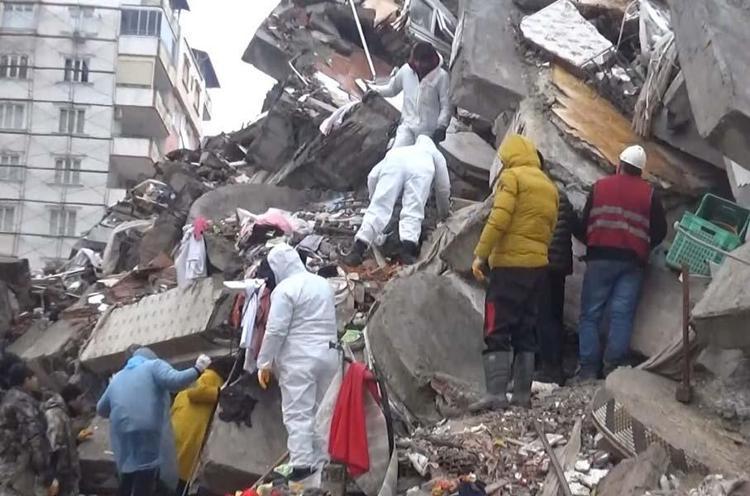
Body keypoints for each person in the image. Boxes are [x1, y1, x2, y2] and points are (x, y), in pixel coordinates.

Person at [470, 134, 559, 410]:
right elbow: (551, 228)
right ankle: (521, 396)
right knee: (525, 329)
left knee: (497, 326)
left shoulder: (512, 178)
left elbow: (498, 219)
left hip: (509, 266)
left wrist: (480, 255)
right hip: (537, 268)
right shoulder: (548, 186)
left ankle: (496, 395)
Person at [574, 145, 667, 380]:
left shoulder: (599, 187)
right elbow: (660, 230)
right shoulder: (649, 194)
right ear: (640, 170)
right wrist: (644, 247)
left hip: (600, 258)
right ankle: (613, 368)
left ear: (620, 165)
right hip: (632, 262)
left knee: (590, 315)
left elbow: (585, 223)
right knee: (621, 314)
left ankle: (587, 369)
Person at [256, 244, 339, 481]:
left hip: (299, 358)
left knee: (298, 412)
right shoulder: (322, 283)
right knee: (324, 411)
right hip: (329, 355)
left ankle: (302, 464)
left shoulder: (284, 290)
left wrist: (265, 362)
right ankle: (324, 463)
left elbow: (276, 330)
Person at [96, 347, 212, 496]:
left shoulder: (118, 377)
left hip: (122, 433)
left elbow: (101, 409)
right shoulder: (153, 366)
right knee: (146, 472)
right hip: (146, 427)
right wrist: (197, 369)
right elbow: (175, 381)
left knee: (128, 471)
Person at [344, 134, 451, 266]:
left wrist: (374, 198)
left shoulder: (398, 151)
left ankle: (357, 250)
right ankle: (406, 254)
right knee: (413, 210)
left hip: (395, 163)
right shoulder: (435, 154)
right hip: (422, 168)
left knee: (379, 208)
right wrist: (444, 213)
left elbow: (372, 176)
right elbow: (443, 188)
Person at [535, 152, 578, 386]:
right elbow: (573, 225)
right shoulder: (562, 196)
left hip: (541, 262)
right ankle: (557, 364)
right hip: (560, 265)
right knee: (555, 315)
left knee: (543, 317)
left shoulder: (536, 193)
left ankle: (549, 368)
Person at [370, 41, 451, 148]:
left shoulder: (442, 77)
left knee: (419, 162)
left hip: (427, 133)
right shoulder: (406, 71)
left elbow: (446, 106)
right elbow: (392, 89)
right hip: (407, 126)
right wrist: (375, 92)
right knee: (395, 155)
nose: (419, 65)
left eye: (422, 63)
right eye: (416, 62)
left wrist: (441, 127)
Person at [171, 358, 232, 495]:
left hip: (178, 438)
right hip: (189, 439)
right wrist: (222, 392)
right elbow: (196, 392)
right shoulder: (211, 376)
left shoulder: (198, 379)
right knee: (180, 484)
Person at [0, 363, 57, 496]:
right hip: (21, 473)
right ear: (26, 380)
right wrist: (47, 477)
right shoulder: (23, 403)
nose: (37, 380)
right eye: (34, 377)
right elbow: (35, 440)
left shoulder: (8, 400)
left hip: (7, 470)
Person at [43, 384, 88, 496]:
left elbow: (62, 443)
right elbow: (52, 449)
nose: (84, 403)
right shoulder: (54, 416)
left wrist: (75, 440)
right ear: (71, 400)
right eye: (81, 399)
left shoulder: (63, 414)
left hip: (66, 480)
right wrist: (54, 480)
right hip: (59, 482)